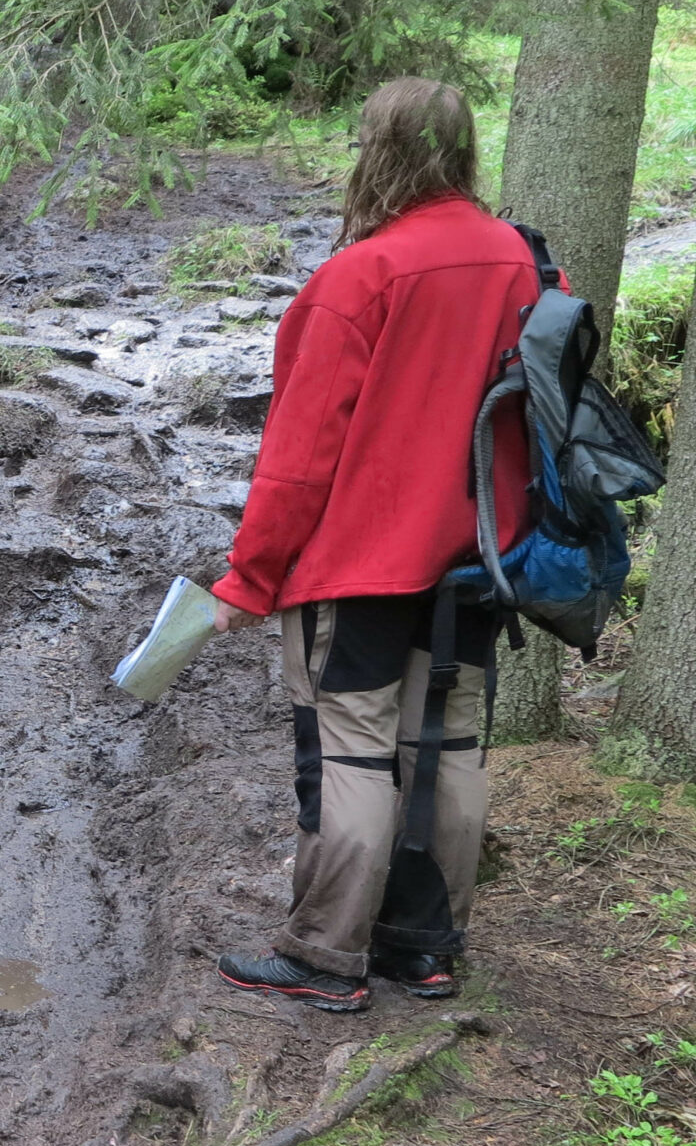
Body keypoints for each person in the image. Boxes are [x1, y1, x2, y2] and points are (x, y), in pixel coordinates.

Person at [210, 77, 538, 1015]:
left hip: (359, 565)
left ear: (379, 151)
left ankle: (324, 957)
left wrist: (252, 575)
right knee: (449, 744)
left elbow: (301, 456)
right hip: (478, 563)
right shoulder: (518, 260)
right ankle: (424, 951)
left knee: (351, 754)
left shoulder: (362, 275)